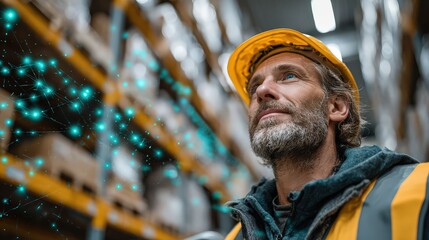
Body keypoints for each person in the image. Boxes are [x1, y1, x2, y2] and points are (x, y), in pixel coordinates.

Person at [224, 28, 429, 240]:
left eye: (289, 76)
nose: (261, 91)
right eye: (254, 86)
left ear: (337, 107)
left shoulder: (419, 191)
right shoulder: (236, 237)